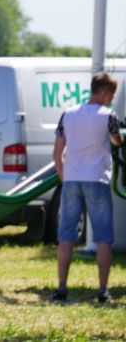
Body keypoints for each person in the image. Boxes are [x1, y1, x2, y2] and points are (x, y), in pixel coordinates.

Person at [50, 72, 123, 303]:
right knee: (103, 237)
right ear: (103, 91)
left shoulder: (68, 114)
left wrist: (65, 177)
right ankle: (102, 289)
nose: (111, 98)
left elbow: (57, 153)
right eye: (111, 93)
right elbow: (117, 140)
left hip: (72, 179)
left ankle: (62, 287)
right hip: (97, 180)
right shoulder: (107, 115)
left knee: (66, 237)